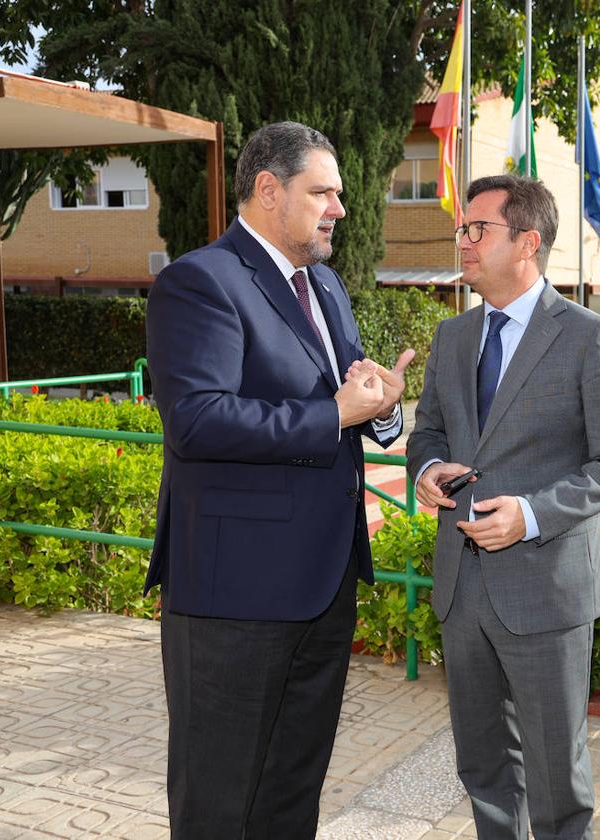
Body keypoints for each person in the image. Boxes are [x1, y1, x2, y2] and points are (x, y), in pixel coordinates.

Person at [145, 121, 413, 838]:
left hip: (324, 585)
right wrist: (332, 412)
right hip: (234, 596)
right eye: (323, 191)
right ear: (269, 190)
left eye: (340, 194)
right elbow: (197, 422)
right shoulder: (200, 282)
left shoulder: (325, 285)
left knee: (293, 793)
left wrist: (380, 408)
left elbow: (349, 397)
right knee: (219, 801)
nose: (340, 208)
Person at [406, 174, 600, 838]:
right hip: (462, 586)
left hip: (547, 588)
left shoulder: (589, 338)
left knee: (555, 777)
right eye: (462, 229)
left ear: (527, 242)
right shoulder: (453, 338)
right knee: (482, 766)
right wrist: (426, 468)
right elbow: (428, 430)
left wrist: (532, 515)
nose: (464, 242)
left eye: (478, 229)